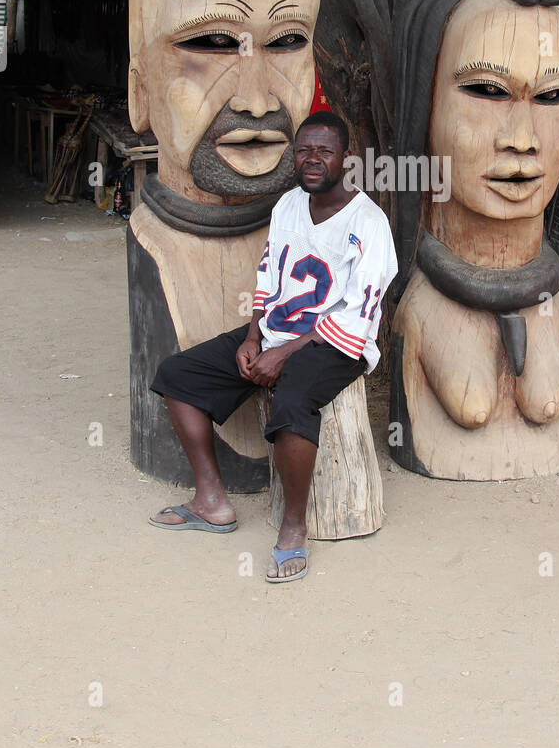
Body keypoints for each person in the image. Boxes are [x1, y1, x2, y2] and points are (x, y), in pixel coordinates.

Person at [148, 111, 398, 583]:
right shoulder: (287, 205)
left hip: (335, 343)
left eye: (324, 151)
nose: (312, 159)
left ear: (346, 158)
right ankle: (212, 501)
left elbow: (357, 314)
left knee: (292, 401)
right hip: (276, 331)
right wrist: (252, 336)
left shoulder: (369, 222)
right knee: (177, 376)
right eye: (304, 150)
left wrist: (283, 353)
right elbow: (269, 280)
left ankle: (293, 529)